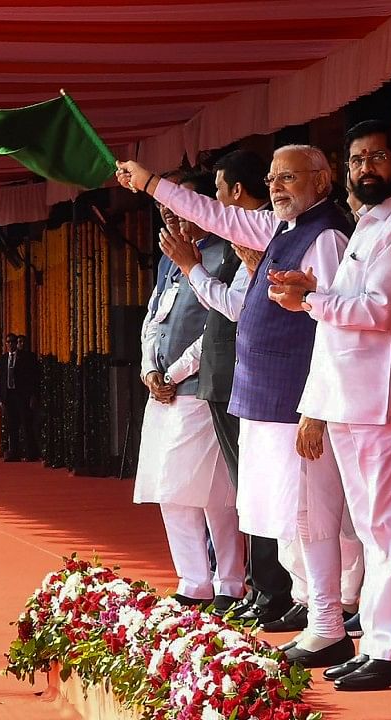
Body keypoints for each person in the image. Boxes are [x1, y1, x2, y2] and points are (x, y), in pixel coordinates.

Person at [136, 148, 358, 667]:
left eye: (289, 178)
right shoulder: (282, 230)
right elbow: (217, 215)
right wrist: (151, 185)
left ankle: (329, 622)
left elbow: (333, 330)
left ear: (322, 181)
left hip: (299, 403)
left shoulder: (324, 237)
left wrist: (318, 406)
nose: (277, 187)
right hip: (267, 401)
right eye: (273, 178)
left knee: (316, 514)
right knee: (289, 514)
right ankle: (318, 615)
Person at [269, 120, 391, 690]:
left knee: (390, 528)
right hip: (352, 395)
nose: (366, 168)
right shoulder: (374, 222)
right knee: (372, 529)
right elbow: (350, 306)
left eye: (376, 157)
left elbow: (379, 310)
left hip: (382, 396)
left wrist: (311, 297)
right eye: (356, 160)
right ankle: (379, 642)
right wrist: (311, 292)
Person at [131, 170, 245, 613]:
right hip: (162, 389)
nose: (170, 216)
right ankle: (192, 579)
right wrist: (149, 367)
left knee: (211, 490)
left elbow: (218, 326)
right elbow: (153, 316)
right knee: (169, 487)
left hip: (198, 386)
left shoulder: (223, 253)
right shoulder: (166, 256)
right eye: (163, 209)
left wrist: (175, 373)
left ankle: (230, 580)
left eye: (178, 206)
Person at [0, 334, 38, 461]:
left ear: (16, 343)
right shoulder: (2, 359)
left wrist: (33, 395)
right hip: (8, 395)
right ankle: (13, 452)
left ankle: (30, 453)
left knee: (25, 423)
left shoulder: (26, 358)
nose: (10, 344)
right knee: (11, 425)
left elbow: (32, 378)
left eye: (12, 342)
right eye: (8, 342)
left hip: (22, 395)